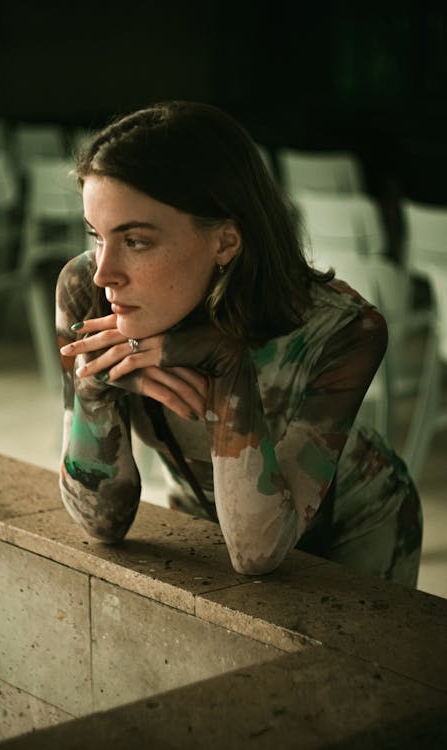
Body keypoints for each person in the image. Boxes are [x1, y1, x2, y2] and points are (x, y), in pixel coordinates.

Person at [55, 100, 422, 585]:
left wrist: (228, 368)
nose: (105, 273)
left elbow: (258, 551)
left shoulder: (344, 331)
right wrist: (93, 390)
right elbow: (100, 522)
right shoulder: (87, 294)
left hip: (356, 529)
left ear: (225, 242)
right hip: (209, 513)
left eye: (136, 241)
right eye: (96, 235)